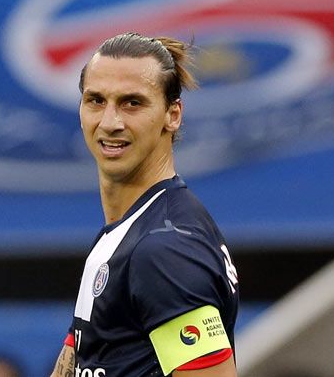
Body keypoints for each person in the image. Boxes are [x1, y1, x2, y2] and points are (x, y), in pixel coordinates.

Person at [49, 33, 239, 377]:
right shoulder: (126, 233)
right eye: (96, 100)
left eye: (132, 103)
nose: (110, 122)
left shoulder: (165, 249)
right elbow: (81, 355)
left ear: (173, 114)